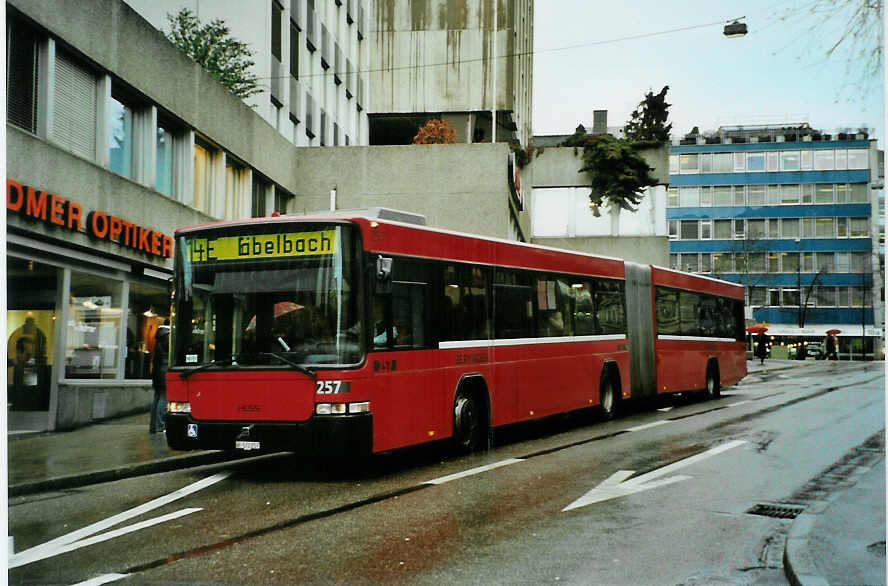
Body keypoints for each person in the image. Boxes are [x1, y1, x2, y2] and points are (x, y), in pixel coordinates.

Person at [150, 321, 170, 434]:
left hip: (157, 373)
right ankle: (160, 426)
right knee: (163, 398)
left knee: (157, 398)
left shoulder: (159, 335)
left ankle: (153, 426)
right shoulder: (168, 336)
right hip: (164, 372)